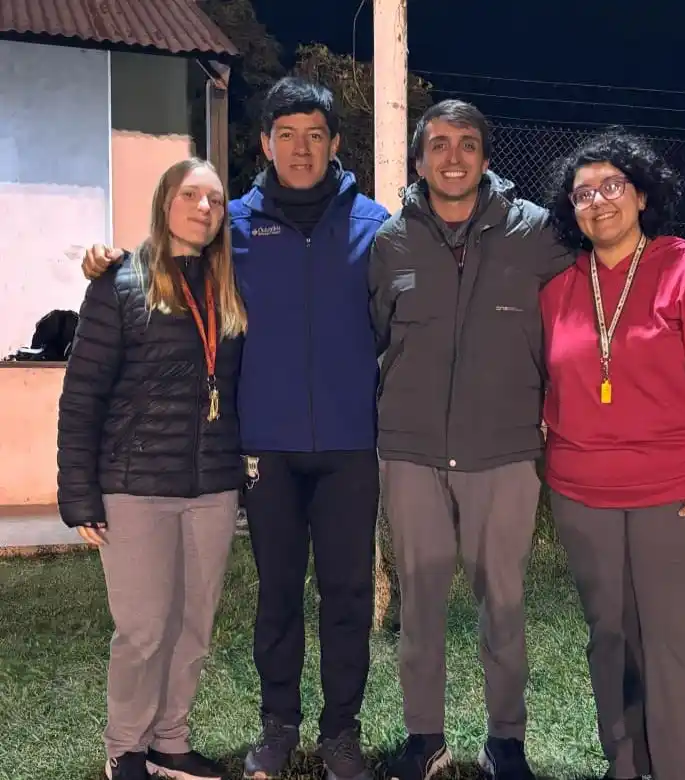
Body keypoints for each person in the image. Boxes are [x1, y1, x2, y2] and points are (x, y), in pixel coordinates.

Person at [80, 77, 390, 780]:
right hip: (264, 451)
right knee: (276, 596)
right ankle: (277, 726)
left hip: (349, 446)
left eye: (315, 135)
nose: (301, 149)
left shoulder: (376, 225)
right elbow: (169, 256)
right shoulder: (234, 225)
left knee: (344, 597)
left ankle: (341, 731)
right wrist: (110, 260)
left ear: (336, 144)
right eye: (287, 135)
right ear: (265, 143)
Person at [540, 132, 685, 780]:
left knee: (673, 649)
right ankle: (626, 763)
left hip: (677, 500)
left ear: (641, 193)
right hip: (583, 499)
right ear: (571, 210)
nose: (599, 201)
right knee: (610, 643)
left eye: (612, 185)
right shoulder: (557, 291)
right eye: (583, 193)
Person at [368, 100, 573, 780]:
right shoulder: (391, 241)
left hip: (504, 451)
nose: (452, 157)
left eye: (467, 144)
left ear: (486, 157)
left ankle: (504, 740)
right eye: (439, 145)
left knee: (503, 605)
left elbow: (612, 252)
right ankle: (423, 739)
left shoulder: (538, 233)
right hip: (412, 453)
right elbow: (370, 336)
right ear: (420, 158)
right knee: (420, 607)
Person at [58, 158, 247, 780]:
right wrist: (78, 493)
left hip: (211, 486)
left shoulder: (227, 286)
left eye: (215, 201)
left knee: (193, 626)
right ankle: (125, 748)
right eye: (191, 195)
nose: (204, 209)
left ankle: (170, 739)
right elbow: (83, 394)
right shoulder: (119, 283)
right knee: (143, 629)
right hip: (135, 487)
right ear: (165, 201)